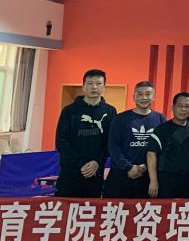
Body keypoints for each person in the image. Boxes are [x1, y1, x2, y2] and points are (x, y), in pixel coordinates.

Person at [55, 68, 117, 198]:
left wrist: (97, 162)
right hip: (71, 171)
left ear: (104, 87)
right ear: (83, 86)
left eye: (98, 83)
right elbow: (61, 141)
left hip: (95, 171)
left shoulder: (110, 111)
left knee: (91, 208)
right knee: (65, 207)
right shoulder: (69, 111)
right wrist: (81, 163)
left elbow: (111, 141)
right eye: (90, 83)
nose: (94, 87)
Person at [104, 80, 165, 198]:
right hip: (120, 173)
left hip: (147, 176)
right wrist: (128, 167)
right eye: (140, 94)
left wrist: (145, 166)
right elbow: (113, 146)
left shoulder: (160, 119)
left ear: (153, 97)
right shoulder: (120, 118)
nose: (144, 97)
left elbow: (163, 149)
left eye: (148, 94)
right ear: (134, 97)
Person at [146, 92, 189, 198]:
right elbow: (151, 154)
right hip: (166, 179)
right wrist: (153, 181)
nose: (183, 109)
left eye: (187, 106)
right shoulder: (161, 129)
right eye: (180, 106)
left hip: (188, 180)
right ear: (173, 108)